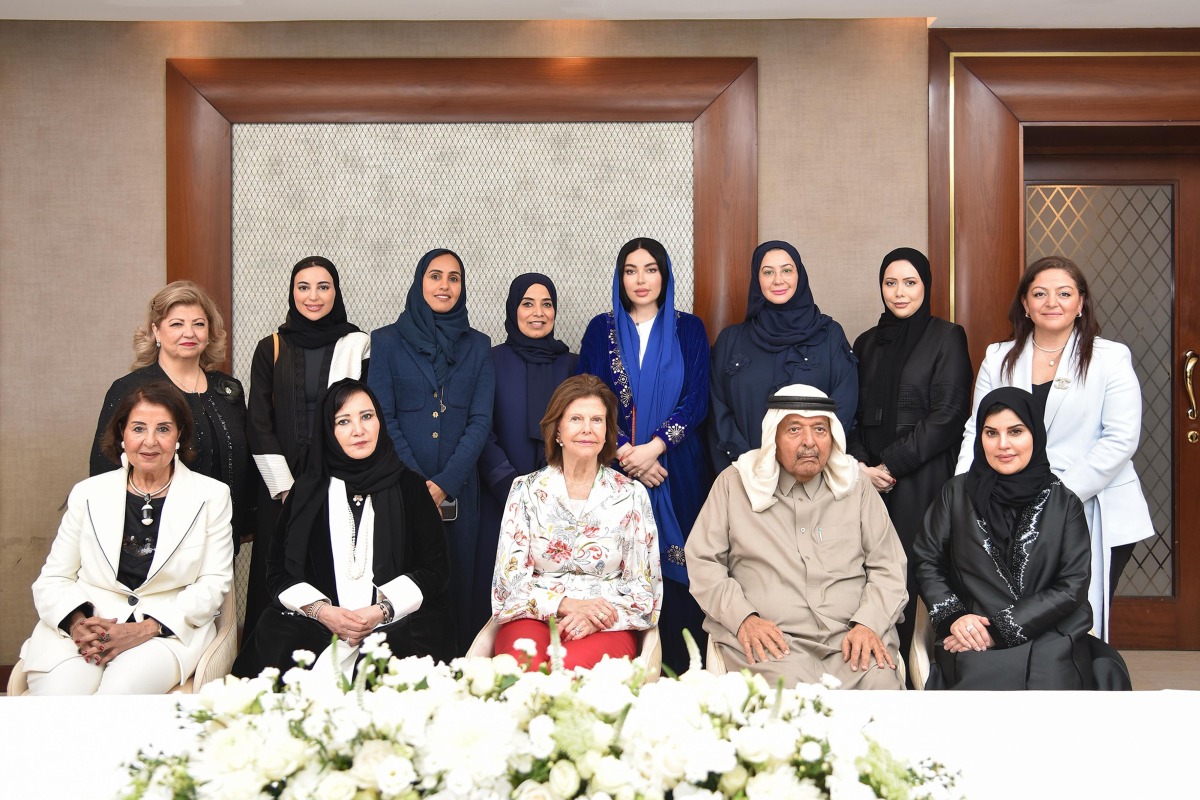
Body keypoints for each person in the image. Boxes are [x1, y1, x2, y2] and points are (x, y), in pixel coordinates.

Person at [955, 255, 1154, 640]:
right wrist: (963, 493)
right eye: (1040, 293)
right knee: (1025, 613)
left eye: (1064, 293)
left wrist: (1057, 498)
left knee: (1078, 619)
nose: (1052, 302)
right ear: (1025, 305)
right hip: (1009, 505)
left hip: (1091, 502)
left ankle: (1078, 687)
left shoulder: (1110, 357)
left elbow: (1121, 438)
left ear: (1081, 303)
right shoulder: (999, 357)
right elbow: (975, 431)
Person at [686, 385, 907, 689]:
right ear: (772, 437)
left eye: (819, 429)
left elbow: (889, 566)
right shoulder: (735, 483)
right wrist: (744, 619)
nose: (809, 442)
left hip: (851, 639)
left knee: (881, 690)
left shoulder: (855, 486)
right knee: (788, 703)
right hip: (773, 643)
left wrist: (869, 623)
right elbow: (702, 563)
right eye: (794, 429)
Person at [233, 379, 455, 677]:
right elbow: (277, 570)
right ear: (329, 430)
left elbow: (435, 570)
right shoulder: (307, 490)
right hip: (318, 624)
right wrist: (323, 612)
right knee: (276, 631)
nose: (358, 430)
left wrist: (381, 611)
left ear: (380, 421)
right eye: (343, 421)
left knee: (426, 634)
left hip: (392, 623)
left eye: (367, 416)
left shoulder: (410, 486)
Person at [22, 382, 233, 694]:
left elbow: (213, 583)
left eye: (163, 429)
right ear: (122, 434)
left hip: (166, 631)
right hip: (89, 626)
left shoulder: (212, 496)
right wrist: (79, 625)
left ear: (179, 436)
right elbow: (54, 577)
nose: (150, 442)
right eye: (138, 428)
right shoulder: (88, 493)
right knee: (62, 695)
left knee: (119, 694)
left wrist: (145, 628)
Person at [577, 237, 709, 674]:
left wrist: (654, 449)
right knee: (616, 565)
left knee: (680, 572)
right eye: (631, 270)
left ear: (664, 275)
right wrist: (624, 451)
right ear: (620, 277)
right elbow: (590, 394)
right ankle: (620, 671)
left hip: (677, 468)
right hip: (616, 470)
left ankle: (677, 668)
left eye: (650, 269)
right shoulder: (602, 329)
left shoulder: (689, 329)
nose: (640, 279)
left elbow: (697, 399)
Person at [846, 247, 973, 672]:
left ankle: (930, 671)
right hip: (868, 482)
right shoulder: (866, 342)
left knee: (919, 570)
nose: (899, 293)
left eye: (910, 282)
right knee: (868, 571)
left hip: (923, 476)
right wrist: (863, 465)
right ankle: (879, 667)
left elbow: (948, 416)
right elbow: (851, 414)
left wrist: (891, 466)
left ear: (926, 285)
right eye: (890, 282)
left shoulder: (946, 336)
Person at [917, 388, 1094, 689]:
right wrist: (956, 618)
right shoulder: (956, 494)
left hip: (1050, 633)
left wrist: (1001, 631)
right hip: (971, 631)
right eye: (991, 433)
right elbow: (927, 561)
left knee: (1053, 683)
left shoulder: (1064, 503)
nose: (1003, 445)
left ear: (1034, 434)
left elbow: (1071, 585)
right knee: (978, 686)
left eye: (1015, 431)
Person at [368, 248, 494, 654]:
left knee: (461, 589)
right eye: (435, 276)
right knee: (406, 591)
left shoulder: (478, 346)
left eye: (453, 278)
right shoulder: (386, 341)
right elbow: (382, 417)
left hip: (462, 493)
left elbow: (480, 421)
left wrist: (443, 484)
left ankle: (464, 677)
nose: (444, 285)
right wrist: (417, 484)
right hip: (401, 493)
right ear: (420, 282)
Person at [491, 375, 662, 671]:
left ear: (608, 431)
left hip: (606, 622)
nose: (587, 429)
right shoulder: (526, 490)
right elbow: (507, 586)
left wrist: (594, 615)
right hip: (534, 617)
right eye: (576, 419)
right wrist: (566, 604)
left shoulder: (632, 495)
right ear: (557, 429)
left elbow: (645, 591)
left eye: (597, 420)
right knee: (524, 669)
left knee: (577, 673)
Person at [244, 255, 370, 642]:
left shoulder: (359, 344)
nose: (313, 296)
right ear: (292, 293)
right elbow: (258, 421)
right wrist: (285, 487)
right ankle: (270, 657)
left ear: (336, 292)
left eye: (323, 286)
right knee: (279, 566)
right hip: (281, 485)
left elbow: (366, 414)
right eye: (303, 287)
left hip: (341, 480)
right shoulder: (271, 347)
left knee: (333, 564)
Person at [90, 281, 252, 551]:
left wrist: (246, 522)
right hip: (154, 539)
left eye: (199, 324)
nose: (189, 333)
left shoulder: (228, 389)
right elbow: (104, 466)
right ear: (156, 330)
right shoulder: (131, 389)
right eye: (176, 324)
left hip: (221, 535)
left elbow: (244, 459)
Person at [476, 273, 578, 634]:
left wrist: (556, 490)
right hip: (500, 498)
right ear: (512, 309)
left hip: (560, 502)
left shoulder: (572, 365)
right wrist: (511, 487)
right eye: (528, 303)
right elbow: (479, 427)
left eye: (547, 304)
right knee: (503, 592)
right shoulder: (488, 361)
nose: (538, 312)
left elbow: (583, 432)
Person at [708, 240, 858, 472]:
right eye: (768, 272)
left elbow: (844, 402)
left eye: (787, 270)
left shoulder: (829, 336)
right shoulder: (732, 340)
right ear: (757, 279)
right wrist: (749, 466)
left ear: (800, 275)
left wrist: (809, 460)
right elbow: (718, 409)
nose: (778, 279)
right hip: (745, 476)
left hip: (814, 476)